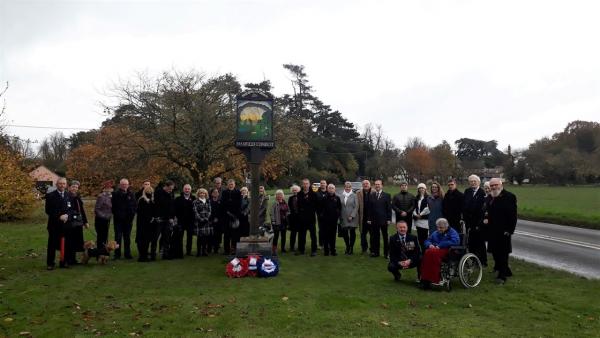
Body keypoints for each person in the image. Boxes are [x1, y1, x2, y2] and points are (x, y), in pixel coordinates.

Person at [484, 178, 517, 285]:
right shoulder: (490, 197)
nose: (493, 187)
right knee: (494, 252)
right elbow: (487, 211)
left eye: (495, 185)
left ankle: (502, 276)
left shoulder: (509, 197)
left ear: (501, 184)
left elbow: (513, 216)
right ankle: (506, 270)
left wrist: (510, 230)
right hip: (492, 230)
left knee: (503, 253)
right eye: (492, 185)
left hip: (504, 230)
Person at [420, 218, 460, 288]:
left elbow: (455, 241)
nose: (439, 229)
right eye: (438, 227)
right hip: (434, 250)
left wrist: (440, 245)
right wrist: (429, 245)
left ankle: (433, 279)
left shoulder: (452, 232)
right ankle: (425, 279)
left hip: (447, 251)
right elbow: (427, 240)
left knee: (432, 253)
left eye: (441, 228)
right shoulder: (435, 233)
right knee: (427, 252)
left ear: (446, 226)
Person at [45, 177, 70, 269]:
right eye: (60, 183)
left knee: (65, 244)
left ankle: (63, 261)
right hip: (54, 224)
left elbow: (71, 209)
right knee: (52, 244)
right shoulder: (50, 196)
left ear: (66, 185)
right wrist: (59, 216)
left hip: (66, 224)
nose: (62, 185)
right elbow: (48, 210)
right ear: (56, 184)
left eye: (64, 183)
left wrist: (67, 215)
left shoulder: (68, 195)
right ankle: (50, 263)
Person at [463, 175, 487, 267]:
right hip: (469, 222)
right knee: (471, 242)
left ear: (478, 182)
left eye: (474, 181)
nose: (473, 183)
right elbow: (464, 205)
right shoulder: (467, 191)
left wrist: (480, 223)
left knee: (480, 243)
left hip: (479, 222)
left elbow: (483, 209)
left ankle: (482, 261)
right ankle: (473, 260)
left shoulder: (482, 192)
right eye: (471, 181)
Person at [111, 178, 137, 259]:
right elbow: (113, 206)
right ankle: (117, 254)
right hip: (118, 219)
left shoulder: (131, 194)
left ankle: (127, 253)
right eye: (123, 184)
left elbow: (135, 205)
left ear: (128, 185)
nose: (124, 186)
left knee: (127, 237)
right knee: (118, 237)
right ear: (120, 185)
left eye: (126, 184)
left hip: (128, 220)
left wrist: (132, 214)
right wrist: (117, 214)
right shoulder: (115, 194)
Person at [66, 180, 89, 265]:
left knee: (77, 240)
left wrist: (85, 222)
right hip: (69, 222)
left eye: (76, 187)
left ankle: (73, 259)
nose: (74, 188)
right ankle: (68, 259)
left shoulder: (77, 197)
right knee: (70, 241)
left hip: (78, 222)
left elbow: (82, 210)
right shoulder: (66, 196)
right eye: (73, 187)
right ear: (69, 187)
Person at [368, 179, 392, 258]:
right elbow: (370, 208)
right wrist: (369, 219)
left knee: (385, 237)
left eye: (379, 184)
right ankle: (376, 252)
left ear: (382, 185)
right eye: (376, 184)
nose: (377, 186)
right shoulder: (371, 195)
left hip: (384, 220)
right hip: (374, 220)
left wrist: (389, 219)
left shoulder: (387, 195)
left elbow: (389, 208)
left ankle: (386, 253)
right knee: (375, 237)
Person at [297, 178, 319, 256]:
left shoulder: (313, 194)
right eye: (304, 184)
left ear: (309, 184)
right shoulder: (299, 194)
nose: (305, 185)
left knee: (313, 236)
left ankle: (314, 250)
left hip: (311, 218)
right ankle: (301, 250)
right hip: (302, 218)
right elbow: (298, 206)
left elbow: (316, 206)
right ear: (302, 185)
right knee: (301, 235)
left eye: (307, 183)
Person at [154, 180, 176, 259]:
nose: (171, 190)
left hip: (168, 219)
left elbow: (172, 206)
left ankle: (165, 254)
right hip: (160, 218)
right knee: (155, 237)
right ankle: (153, 254)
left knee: (166, 237)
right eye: (170, 188)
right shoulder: (158, 192)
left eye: (172, 189)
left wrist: (172, 217)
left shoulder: (171, 194)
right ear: (165, 186)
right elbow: (161, 205)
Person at [174, 184, 196, 258]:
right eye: (185, 189)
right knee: (180, 237)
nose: (187, 190)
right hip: (181, 221)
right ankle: (180, 252)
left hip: (190, 221)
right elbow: (175, 210)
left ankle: (188, 252)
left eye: (188, 189)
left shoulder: (194, 198)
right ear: (183, 190)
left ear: (191, 190)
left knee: (190, 237)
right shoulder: (178, 199)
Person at [221, 179, 242, 255]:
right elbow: (223, 203)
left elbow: (239, 204)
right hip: (226, 216)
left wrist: (235, 215)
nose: (231, 185)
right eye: (229, 184)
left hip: (235, 216)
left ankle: (233, 249)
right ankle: (226, 250)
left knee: (234, 234)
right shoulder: (224, 192)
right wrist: (226, 212)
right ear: (227, 185)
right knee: (226, 234)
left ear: (234, 185)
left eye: (232, 184)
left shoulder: (238, 192)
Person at [321, 184, 342, 256]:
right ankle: (326, 251)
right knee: (326, 236)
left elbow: (339, 208)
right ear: (327, 189)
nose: (331, 189)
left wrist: (337, 214)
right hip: (325, 220)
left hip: (334, 220)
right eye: (329, 188)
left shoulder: (337, 198)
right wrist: (323, 216)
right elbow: (321, 208)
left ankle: (333, 250)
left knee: (333, 236)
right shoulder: (324, 198)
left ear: (334, 189)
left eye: (332, 188)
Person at [135, 186, 155, 262]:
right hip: (142, 223)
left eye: (151, 192)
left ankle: (144, 255)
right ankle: (142, 256)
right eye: (148, 192)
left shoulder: (151, 201)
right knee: (142, 239)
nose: (150, 193)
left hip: (149, 223)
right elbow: (141, 213)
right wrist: (150, 218)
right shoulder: (142, 200)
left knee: (146, 240)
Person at [94, 180, 113, 255]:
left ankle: (105, 252)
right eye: (108, 188)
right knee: (101, 237)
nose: (110, 190)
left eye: (111, 188)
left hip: (107, 219)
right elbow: (97, 209)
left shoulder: (111, 197)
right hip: (100, 220)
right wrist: (104, 216)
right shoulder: (101, 196)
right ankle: (99, 253)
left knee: (105, 236)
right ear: (105, 189)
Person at [340, 181, 358, 255]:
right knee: (345, 233)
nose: (347, 188)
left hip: (352, 218)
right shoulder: (341, 195)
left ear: (351, 187)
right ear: (344, 187)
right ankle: (347, 247)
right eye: (346, 186)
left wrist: (352, 215)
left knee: (352, 233)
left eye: (349, 186)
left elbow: (356, 206)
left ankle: (351, 248)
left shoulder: (354, 195)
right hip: (343, 217)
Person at [193, 188, 212, 257]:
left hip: (206, 222)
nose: (202, 194)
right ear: (198, 194)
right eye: (201, 193)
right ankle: (198, 252)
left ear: (205, 194)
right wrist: (201, 219)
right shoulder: (195, 202)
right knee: (200, 237)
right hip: (199, 222)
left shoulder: (208, 201)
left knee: (205, 237)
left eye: (203, 193)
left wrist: (206, 218)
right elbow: (195, 212)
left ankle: (204, 251)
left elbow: (210, 211)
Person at [270, 189, 289, 254]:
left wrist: (287, 215)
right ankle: (274, 250)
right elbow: (272, 213)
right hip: (277, 222)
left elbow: (288, 211)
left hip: (284, 222)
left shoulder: (285, 202)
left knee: (283, 236)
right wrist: (273, 222)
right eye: (278, 195)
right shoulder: (275, 204)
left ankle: (283, 249)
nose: (279, 196)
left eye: (280, 194)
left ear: (282, 195)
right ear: (276, 196)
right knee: (276, 236)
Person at [412, 183, 430, 251]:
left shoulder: (428, 197)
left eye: (423, 188)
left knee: (425, 237)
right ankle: (422, 251)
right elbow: (414, 207)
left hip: (425, 221)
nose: (421, 189)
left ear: (425, 189)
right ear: (418, 189)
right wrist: (416, 214)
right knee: (420, 238)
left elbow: (427, 208)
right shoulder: (416, 198)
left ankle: (425, 251)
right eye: (420, 188)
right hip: (418, 221)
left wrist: (421, 214)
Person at [356, 180, 372, 254]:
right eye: (364, 184)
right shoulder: (358, 193)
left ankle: (373, 249)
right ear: (362, 185)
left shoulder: (374, 192)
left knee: (373, 234)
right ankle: (364, 249)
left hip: (372, 217)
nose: (365, 185)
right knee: (363, 234)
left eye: (367, 183)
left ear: (370, 184)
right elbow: (356, 205)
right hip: (362, 217)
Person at [209, 188, 223, 254]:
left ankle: (216, 249)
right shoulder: (209, 202)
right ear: (211, 194)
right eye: (214, 192)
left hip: (219, 221)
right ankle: (209, 248)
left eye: (217, 192)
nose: (216, 193)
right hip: (211, 221)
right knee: (211, 235)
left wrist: (218, 218)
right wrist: (212, 219)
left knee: (218, 235)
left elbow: (222, 211)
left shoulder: (220, 202)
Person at [287, 185, 301, 252]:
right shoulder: (290, 198)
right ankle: (292, 247)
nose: (295, 191)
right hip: (293, 218)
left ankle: (300, 246)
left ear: (298, 190)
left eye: (296, 190)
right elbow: (289, 208)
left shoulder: (301, 197)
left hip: (300, 218)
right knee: (293, 233)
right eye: (293, 190)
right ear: (292, 191)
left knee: (301, 233)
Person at [315, 179, 328, 249]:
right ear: (320, 185)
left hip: (328, 214)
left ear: (326, 184)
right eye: (321, 183)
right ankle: (321, 244)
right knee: (321, 230)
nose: (323, 184)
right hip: (320, 214)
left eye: (324, 183)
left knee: (328, 229)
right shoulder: (317, 193)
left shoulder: (329, 192)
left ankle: (328, 243)